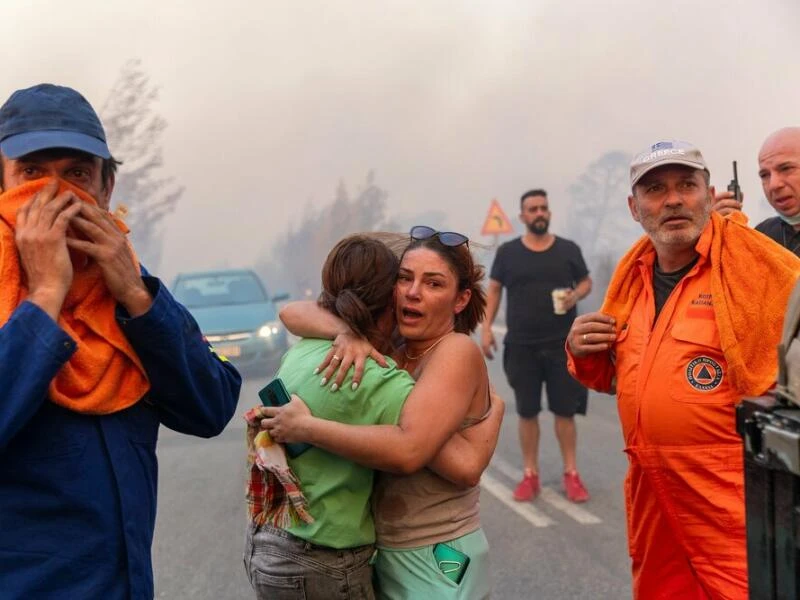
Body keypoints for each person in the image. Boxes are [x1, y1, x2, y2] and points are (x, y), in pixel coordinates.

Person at [0, 83, 241, 599]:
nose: (55, 195)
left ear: (107, 189)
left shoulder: (126, 286)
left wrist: (135, 294)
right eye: (31, 174)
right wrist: (44, 295)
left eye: (77, 174)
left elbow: (211, 405)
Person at [566, 139, 800, 599]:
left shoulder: (761, 271)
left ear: (710, 196)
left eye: (686, 185)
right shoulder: (630, 280)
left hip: (730, 501)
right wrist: (579, 348)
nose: (672, 199)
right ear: (634, 208)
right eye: (655, 189)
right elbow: (617, 376)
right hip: (652, 500)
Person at [263, 226, 502, 599]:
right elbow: (291, 312)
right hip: (387, 554)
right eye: (405, 278)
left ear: (460, 299)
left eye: (434, 284)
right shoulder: (395, 347)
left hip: (439, 553)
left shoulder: (454, 351)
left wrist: (309, 428)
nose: (413, 292)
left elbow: (412, 452)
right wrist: (347, 331)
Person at [480, 189, 592, 503]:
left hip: (562, 346)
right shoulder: (508, 254)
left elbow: (586, 281)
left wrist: (576, 295)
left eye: (543, 208)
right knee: (527, 413)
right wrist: (486, 328)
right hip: (522, 346)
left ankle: (572, 473)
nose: (539, 213)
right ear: (522, 216)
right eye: (533, 209)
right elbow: (494, 290)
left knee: (564, 413)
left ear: (549, 213)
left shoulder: (568, 250)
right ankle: (530, 475)